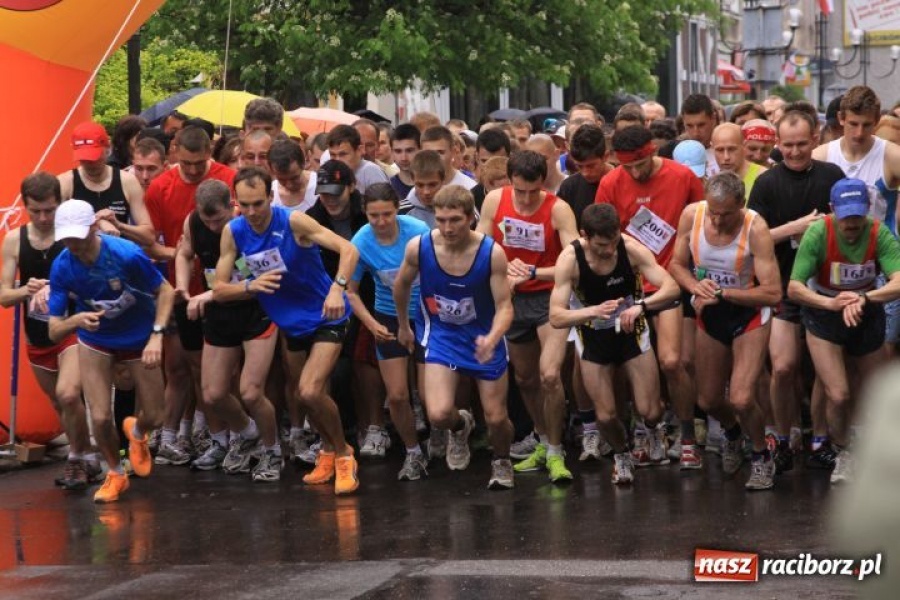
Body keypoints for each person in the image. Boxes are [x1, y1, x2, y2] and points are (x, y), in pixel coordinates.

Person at [217, 166, 361, 495]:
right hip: (290, 324)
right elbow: (220, 288)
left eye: (258, 203)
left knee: (310, 391)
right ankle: (325, 451)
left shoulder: (294, 222)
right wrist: (250, 286)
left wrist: (338, 289)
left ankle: (343, 455)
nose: (252, 212)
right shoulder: (234, 231)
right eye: (244, 204)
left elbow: (349, 250)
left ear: (271, 197)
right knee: (304, 396)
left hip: (327, 315)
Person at [47, 200, 174, 503]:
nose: (72, 244)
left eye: (78, 236)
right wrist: (76, 319)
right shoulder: (62, 265)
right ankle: (116, 473)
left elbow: (166, 291)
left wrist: (157, 336)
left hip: (139, 335)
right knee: (101, 417)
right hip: (96, 339)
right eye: (66, 237)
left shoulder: (126, 255)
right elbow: (54, 330)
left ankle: (138, 431)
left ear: (93, 227)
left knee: (156, 415)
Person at [595, 124, 705, 467]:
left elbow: (703, 224)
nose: (634, 173)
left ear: (652, 151)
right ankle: (646, 428)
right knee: (625, 364)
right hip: (628, 287)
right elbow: (601, 233)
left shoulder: (683, 176)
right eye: (626, 166)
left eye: (639, 165)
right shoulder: (611, 182)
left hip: (671, 281)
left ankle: (687, 434)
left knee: (672, 361)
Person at [393, 185, 516, 489]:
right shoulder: (419, 248)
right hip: (442, 336)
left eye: (455, 220)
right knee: (437, 413)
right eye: (441, 219)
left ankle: (501, 460)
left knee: (497, 417)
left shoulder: (491, 253)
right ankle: (460, 426)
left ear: (470, 218)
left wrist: (493, 337)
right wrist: (403, 325)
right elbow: (401, 285)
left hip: (483, 338)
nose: (447, 228)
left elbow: (504, 307)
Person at [549, 203, 680, 483]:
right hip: (594, 337)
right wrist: (592, 311)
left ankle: (654, 429)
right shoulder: (569, 260)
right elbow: (556, 317)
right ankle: (622, 454)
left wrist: (641, 306)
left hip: (631, 332)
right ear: (585, 235)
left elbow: (671, 287)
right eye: (601, 245)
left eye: (612, 243)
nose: (609, 250)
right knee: (606, 416)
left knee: (651, 410)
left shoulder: (630, 248)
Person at [670, 172, 783, 490]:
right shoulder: (693, 215)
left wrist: (722, 293)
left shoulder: (755, 228)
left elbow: (773, 293)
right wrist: (695, 286)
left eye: (726, 214)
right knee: (706, 400)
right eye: (714, 212)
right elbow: (676, 265)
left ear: (741, 205)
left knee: (743, 397)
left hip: (748, 313)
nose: (718, 221)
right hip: (712, 313)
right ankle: (733, 433)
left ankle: (762, 455)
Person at [747, 108, 846, 472]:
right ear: (778, 144)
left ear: (815, 138)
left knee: (823, 370)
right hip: (783, 288)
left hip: (824, 287)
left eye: (802, 144)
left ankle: (820, 437)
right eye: (787, 145)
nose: (794, 152)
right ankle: (784, 436)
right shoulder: (766, 184)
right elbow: (753, 239)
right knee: (784, 367)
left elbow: (849, 225)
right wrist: (796, 227)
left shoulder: (832, 175)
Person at [787, 178, 900, 485]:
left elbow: (898, 280)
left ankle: (873, 448)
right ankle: (843, 452)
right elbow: (795, 287)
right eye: (846, 215)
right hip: (825, 311)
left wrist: (864, 298)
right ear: (833, 210)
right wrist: (831, 303)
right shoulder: (818, 232)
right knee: (838, 393)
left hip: (866, 309)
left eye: (857, 214)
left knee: (875, 391)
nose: (852, 222)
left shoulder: (879, 232)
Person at [478, 150, 579, 483]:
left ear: (543, 182)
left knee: (550, 375)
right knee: (525, 378)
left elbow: (575, 262)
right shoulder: (494, 201)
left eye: (532, 191)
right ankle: (542, 437)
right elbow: (480, 247)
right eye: (519, 190)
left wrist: (533, 271)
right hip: (512, 299)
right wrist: (502, 270)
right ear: (509, 181)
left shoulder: (558, 209)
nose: (524, 199)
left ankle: (555, 450)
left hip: (549, 297)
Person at [172, 179, 280, 478]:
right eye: (206, 219)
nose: (213, 225)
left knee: (250, 393)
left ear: (231, 207)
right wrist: (182, 286)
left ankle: (273, 451)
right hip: (220, 314)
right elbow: (184, 253)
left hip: (257, 310)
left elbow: (265, 281)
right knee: (213, 393)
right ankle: (248, 434)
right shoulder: (193, 223)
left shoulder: (248, 225)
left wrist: (209, 294)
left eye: (218, 219)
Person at [144, 126, 236, 466]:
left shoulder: (228, 178)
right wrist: (183, 256)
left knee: (232, 373)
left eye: (201, 163)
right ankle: (205, 436)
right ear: (174, 151)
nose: (195, 171)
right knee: (188, 368)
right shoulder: (159, 188)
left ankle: (234, 436)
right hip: (184, 294)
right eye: (187, 163)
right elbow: (153, 243)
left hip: (228, 291)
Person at [0, 173, 93, 489]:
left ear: (60, 205)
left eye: (50, 210)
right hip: (37, 337)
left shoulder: (70, 236)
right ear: (25, 206)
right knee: (59, 403)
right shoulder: (14, 240)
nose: (42, 217)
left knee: (69, 393)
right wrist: (27, 289)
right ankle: (87, 454)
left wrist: (59, 288)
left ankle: (77, 460)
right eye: (36, 210)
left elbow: (91, 281)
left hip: (70, 330)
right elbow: (3, 297)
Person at [346, 183, 432, 480]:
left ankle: (456, 427)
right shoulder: (361, 241)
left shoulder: (418, 230)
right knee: (396, 395)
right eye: (374, 216)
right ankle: (412, 453)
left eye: (387, 214)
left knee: (431, 400)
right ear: (365, 214)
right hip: (388, 316)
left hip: (426, 315)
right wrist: (371, 324)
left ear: (397, 209)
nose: (381, 222)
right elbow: (350, 290)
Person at [58, 121, 155, 247]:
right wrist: (97, 223)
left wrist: (119, 225)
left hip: (118, 260)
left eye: (94, 157)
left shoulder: (127, 181)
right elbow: (54, 233)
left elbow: (148, 237)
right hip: (81, 260)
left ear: (107, 148)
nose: (90, 164)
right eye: (84, 159)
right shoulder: (64, 183)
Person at [326, 124, 390, 193]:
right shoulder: (331, 172)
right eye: (332, 154)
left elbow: (383, 202)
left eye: (343, 154)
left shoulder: (371, 171)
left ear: (360, 150)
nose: (337, 160)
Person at [711, 123, 767, 198]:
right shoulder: (712, 181)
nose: (726, 157)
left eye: (732, 149)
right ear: (712, 149)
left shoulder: (763, 177)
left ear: (744, 146)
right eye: (720, 150)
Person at [399, 150, 447, 228]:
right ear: (412, 180)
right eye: (420, 185)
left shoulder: (459, 207)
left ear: (443, 180)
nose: (426, 192)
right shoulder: (401, 212)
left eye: (432, 185)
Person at [269, 138, 317, 214]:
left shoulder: (319, 186)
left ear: (303, 164)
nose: (289, 185)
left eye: (294, 178)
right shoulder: (269, 193)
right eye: (282, 180)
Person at [680, 94, 718, 177]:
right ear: (683, 121)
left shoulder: (727, 152)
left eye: (701, 125)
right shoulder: (674, 153)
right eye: (689, 126)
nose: (695, 133)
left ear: (713, 119)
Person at [389, 123, 421, 200]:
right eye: (398, 151)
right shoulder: (389, 186)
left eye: (409, 150)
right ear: (392, 152)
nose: (404, 158)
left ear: (421, 150)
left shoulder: (434, 183)